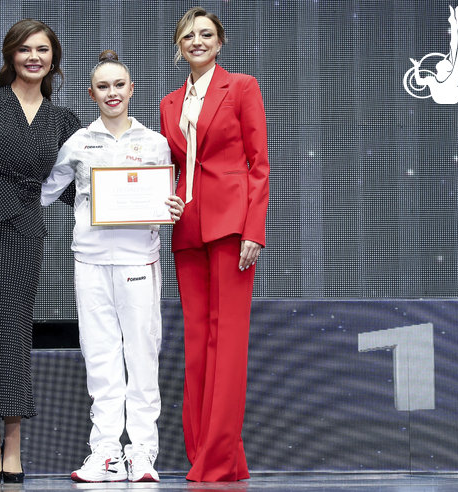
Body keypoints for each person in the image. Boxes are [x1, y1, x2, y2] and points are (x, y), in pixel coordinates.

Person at [40, 50, 184, 483]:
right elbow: (45, 191)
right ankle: (105, 451)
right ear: (92, 94)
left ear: (131, 89)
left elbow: (170, 198)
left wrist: (173, 206)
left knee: (141, 355)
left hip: (139, 258)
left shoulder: (155, 142)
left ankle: (141, 453)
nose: (112, 93)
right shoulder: (80, 142)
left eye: (119, 85)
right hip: (90, 260)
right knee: (100, 357)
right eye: (103, 87)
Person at [0, 19, 81, 484]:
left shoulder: (62, 120)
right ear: (10, 55)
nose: (33, 57)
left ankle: (16, 441)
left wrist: (130, 197)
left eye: (42, 49)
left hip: (26, 230)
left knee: (16, 333)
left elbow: (73, 185)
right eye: (24, 49)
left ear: (53, 58)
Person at [159, 7, 269, 482]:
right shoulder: (168, 102)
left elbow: (259, 164)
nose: (198, 41)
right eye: (189, 35)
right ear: (179, 45)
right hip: (188, 232)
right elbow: (171, 169)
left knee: (229, 343)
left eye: (206, 34)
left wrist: (253, 230)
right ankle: (209, 451)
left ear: (219, 42)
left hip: (231, 227)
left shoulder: (241, 87)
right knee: (198, 346)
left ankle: (218, 459)